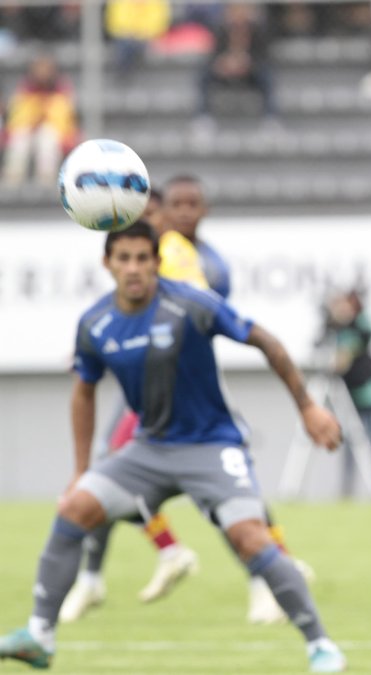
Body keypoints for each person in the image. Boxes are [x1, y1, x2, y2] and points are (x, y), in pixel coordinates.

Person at [0, 223, 347, 672]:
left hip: (212, 445)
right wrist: (80, 470)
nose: (133, 268)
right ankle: (40, 636)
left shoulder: (191, 304)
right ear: (107, 264)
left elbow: (265, 341)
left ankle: (321, 645)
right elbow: (83, 390)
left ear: (156, 262)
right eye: (124, 258)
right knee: (74, 508)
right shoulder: (95, 323)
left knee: (250, 536)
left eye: (143, 258)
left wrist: (307, 408)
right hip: (150, 449)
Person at [59, 176, 315, 627]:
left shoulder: (191, 261)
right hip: (145, 387)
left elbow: (198, 316)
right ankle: (106, 573)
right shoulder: (147, 254)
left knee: (226, 491)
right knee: (108, 468)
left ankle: (263, 570)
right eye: (160, 209)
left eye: (154, 212)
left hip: (190, 389)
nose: (169, 216)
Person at [322, 288, 371, 499]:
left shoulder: (360, 325)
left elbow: (353, 348)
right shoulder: (337, 328)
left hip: (367, 393)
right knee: (349, 442)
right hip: (350, 395)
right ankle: (347, 489)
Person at [194, 3, 278, 135]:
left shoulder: (258, 31)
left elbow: (263, 57)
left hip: (250, 72)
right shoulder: (220, 30)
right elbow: (213, 56)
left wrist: (248, 63)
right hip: (226, 71)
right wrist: (223, 63)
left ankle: (270, 118)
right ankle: (203, 117)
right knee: (204, 75)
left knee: (266, 76)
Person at [2, 54, 78, 187]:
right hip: (27, 128)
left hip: (54, 132)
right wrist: (33, 120)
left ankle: (46, 182)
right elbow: (16, 116)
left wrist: (44, 117)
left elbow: (64, 119)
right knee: (20, 138)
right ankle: (12, 181)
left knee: (47, 139)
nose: (42, 73)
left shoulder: (61, 91)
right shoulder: (25, 90)